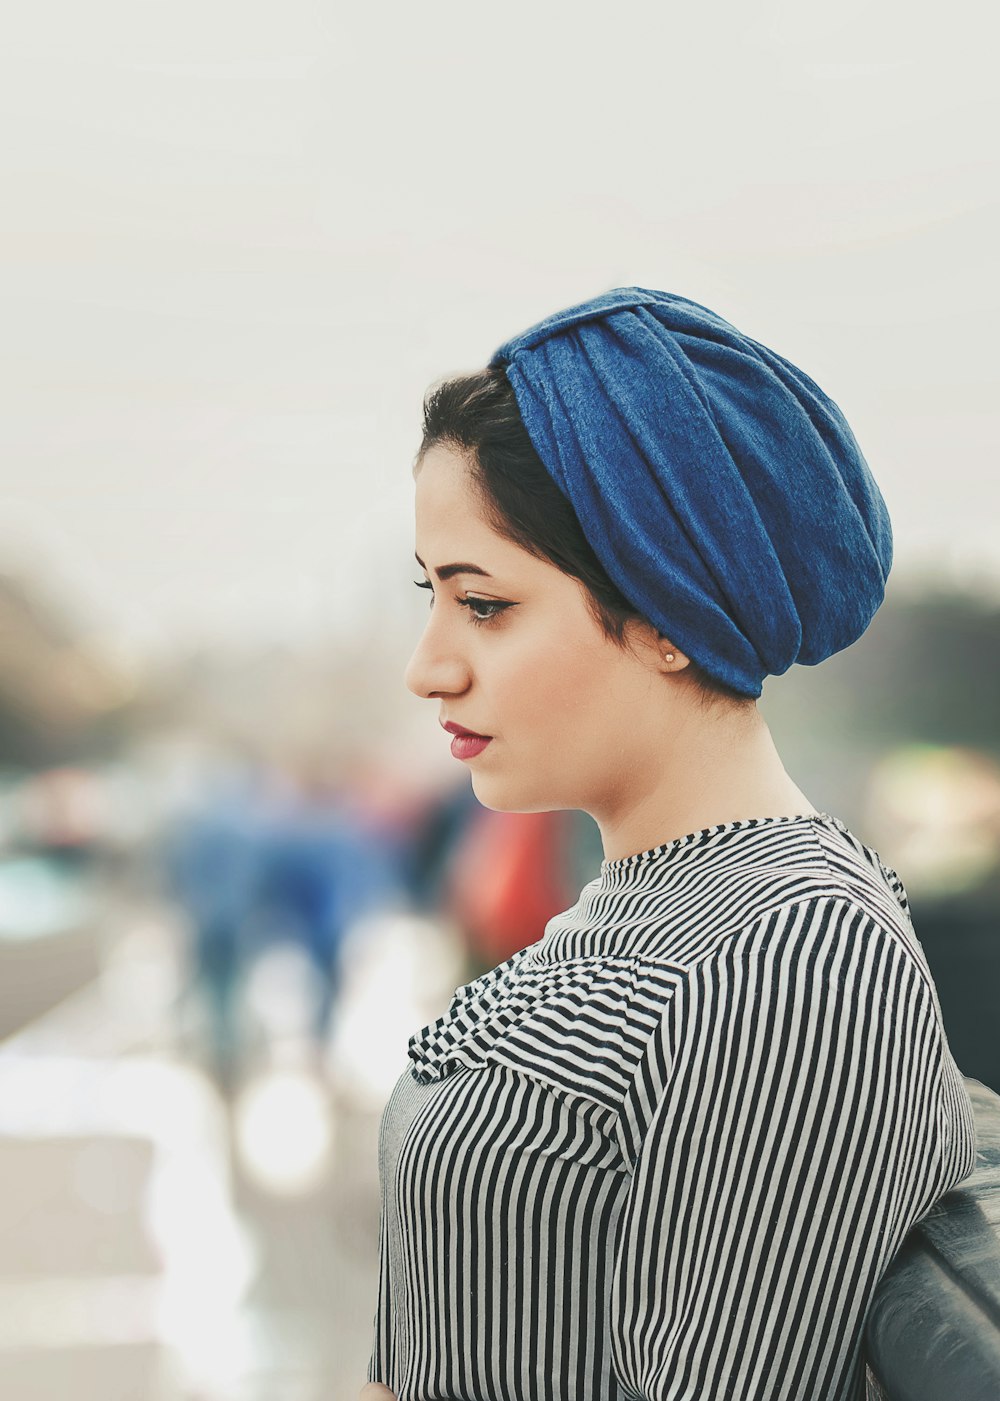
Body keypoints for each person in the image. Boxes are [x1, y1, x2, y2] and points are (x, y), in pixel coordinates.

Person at [360, 288, 976, 1401]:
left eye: (484, 604)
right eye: (431, 596)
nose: (429, 666)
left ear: (665, 615)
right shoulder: (644, 900)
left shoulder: (796, 955)